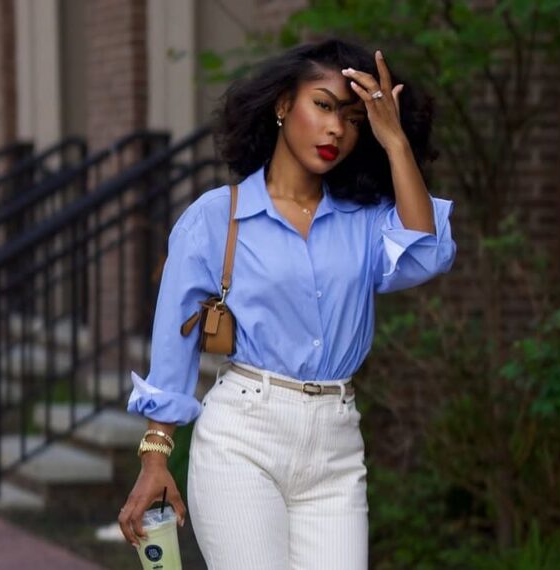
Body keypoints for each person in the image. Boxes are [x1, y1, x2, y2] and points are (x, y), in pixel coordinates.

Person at [118, 37, 456, 569]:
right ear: (283, 105)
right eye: (323, 106)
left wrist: (394, 142)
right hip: (244, 436)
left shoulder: (364, 221)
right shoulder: (215, 218)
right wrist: (156, 457)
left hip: (337, 443)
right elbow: (172, 348)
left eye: (352, 118)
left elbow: (429, 253)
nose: (336, 130)